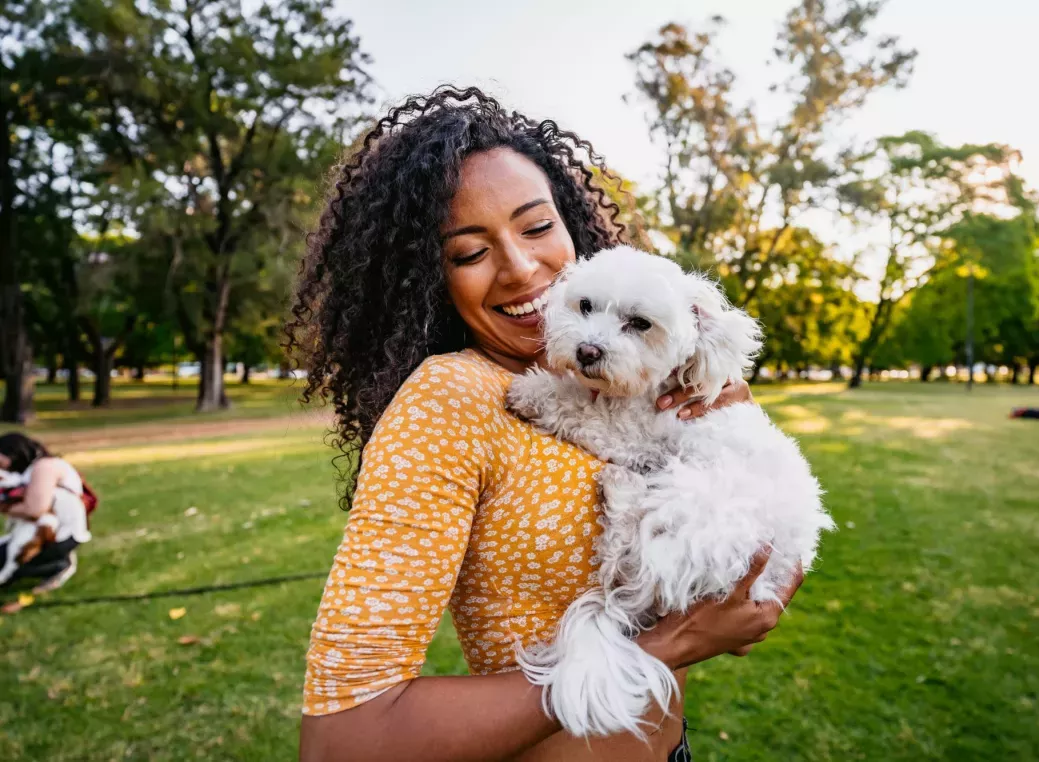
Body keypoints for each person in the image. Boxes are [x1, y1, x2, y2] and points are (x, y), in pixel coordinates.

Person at [289, 86, 804, 762]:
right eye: (469, 253)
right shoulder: (451, 399)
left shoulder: (630, 381)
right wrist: (671, 645)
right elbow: (343, 739)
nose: (522, 268)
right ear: (424, 277)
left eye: (536, 227)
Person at [0, 432, 91, 595]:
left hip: (57, 536)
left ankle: (56, 565)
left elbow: (35, 510)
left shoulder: (45, 467)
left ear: (12, 453)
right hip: (48, 533)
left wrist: (4, 507)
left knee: (9, 562)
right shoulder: (34, 469)